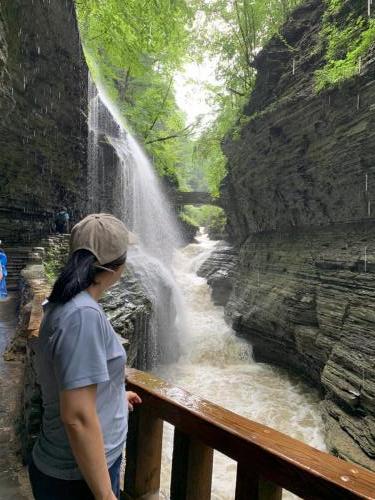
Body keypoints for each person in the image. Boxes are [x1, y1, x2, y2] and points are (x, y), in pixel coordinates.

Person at [28, 213, 142, 500]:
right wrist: (105, 495)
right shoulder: (82, 314)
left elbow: (67, 374)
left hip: (69, 467)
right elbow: (77, 416)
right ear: (117, 265)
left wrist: (114, 395)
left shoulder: (65, 300)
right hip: (79, 476)